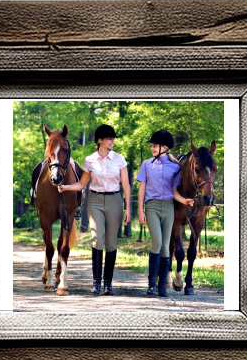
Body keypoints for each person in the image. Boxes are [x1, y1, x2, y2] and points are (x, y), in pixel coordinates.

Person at [59, 124, 131, 296]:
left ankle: (108, 284)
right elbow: (82, 184)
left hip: (114, 200)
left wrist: (128, 208)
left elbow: (127, 185)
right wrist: (66, 187)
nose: (112, 141)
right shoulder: (89, 160)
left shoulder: (119, 159)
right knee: (97, 240)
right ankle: (96, 283)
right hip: (95, 201)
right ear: (100, 141)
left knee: (111, 244)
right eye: (109, 139)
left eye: (113, 139)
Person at [137, 130, 194, 297]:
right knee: (158, 243)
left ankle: (162, 287)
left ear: (165, 147)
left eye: (155, 146)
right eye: (152, 146)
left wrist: (185, 201)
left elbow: (174, 192)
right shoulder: (147, 164)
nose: (152, 148)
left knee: (166, 248)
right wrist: (141, 210)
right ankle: (151, 284)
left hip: (169, 207)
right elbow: (142, 189)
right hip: (152, 206)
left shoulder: (175, 167)